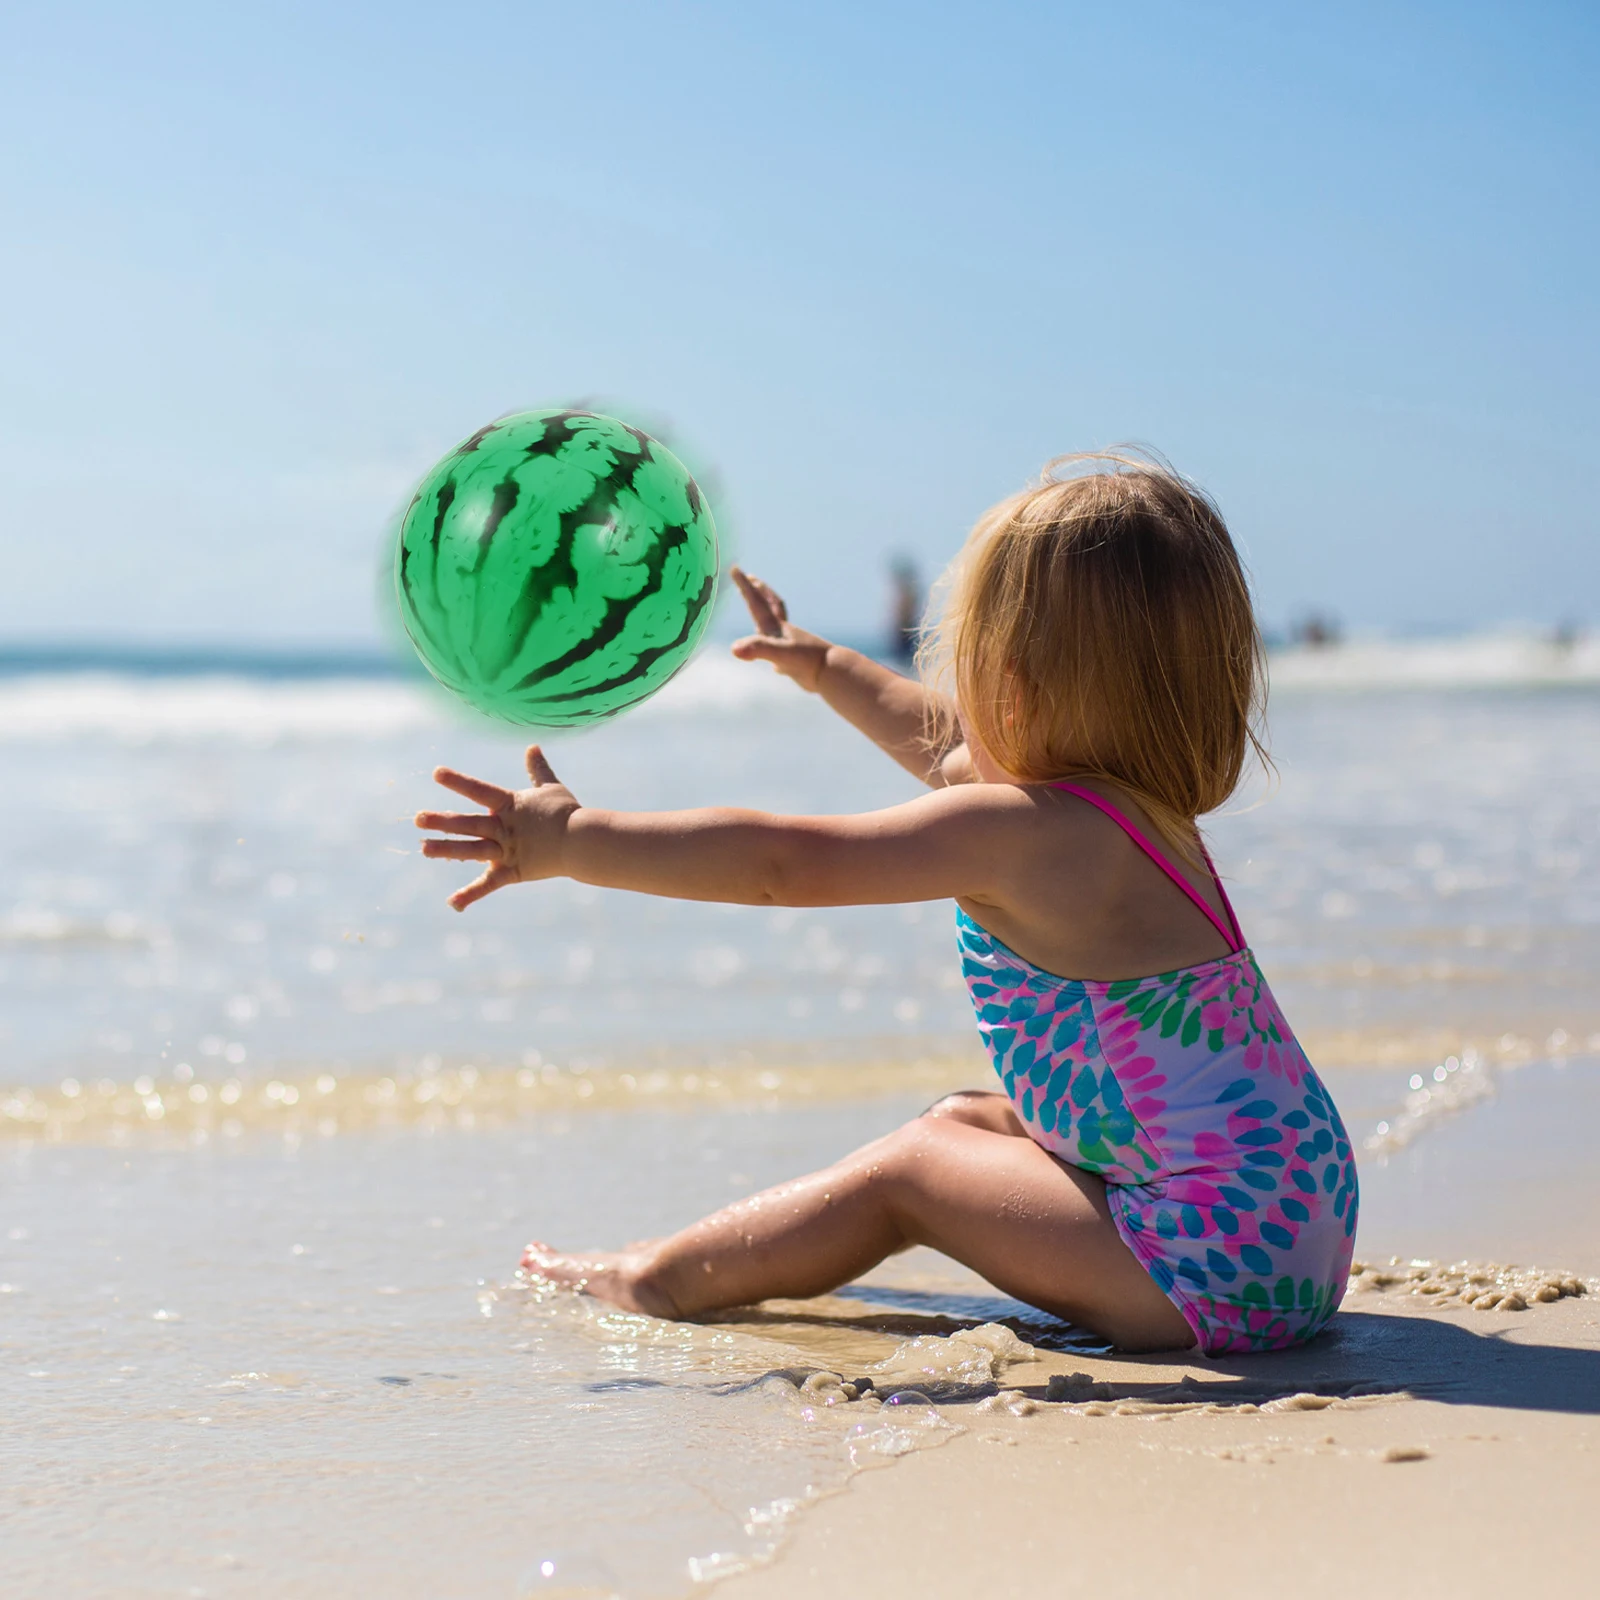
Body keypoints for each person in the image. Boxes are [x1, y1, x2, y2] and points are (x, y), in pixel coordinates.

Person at [415, 454, 1358, 1355]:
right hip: (1291, 1224)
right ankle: (711, 1262)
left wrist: (575, 841)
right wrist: (825, 667)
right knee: (964, 1120)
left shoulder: (1028, 834)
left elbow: (784, 863)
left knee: (911, 1171)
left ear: (1014, 689)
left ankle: (654, 1278)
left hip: (1210, 1269)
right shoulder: (1134, 815)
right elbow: (943, 743)